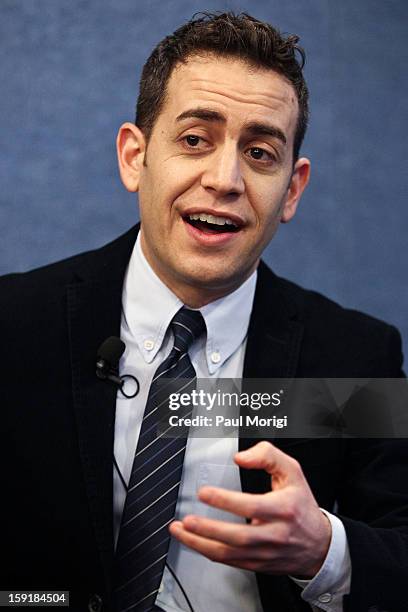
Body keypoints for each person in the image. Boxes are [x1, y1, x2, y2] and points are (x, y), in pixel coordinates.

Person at [0, 11, 407, 612]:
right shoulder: (13, 324)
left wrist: (324, 550)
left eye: (260, 153)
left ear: (292, 190)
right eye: (195, 140)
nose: (225, 179)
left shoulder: (355, 358)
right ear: (135, 156)